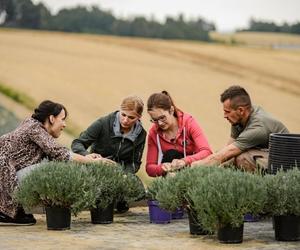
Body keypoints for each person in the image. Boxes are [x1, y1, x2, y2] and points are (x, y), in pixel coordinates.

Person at [0, 100, 105, 226]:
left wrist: (87, 157)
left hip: (7, 176)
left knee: (50, 167)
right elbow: (58, 152)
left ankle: (14, 212)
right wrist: (89, 161)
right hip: (5, 177)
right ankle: (8, 213)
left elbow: (57, 153)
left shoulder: (31, 125)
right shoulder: (34, 128)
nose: (64, 124)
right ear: (51, 118)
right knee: (48, 170)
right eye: (62, 119)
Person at [71, 95, 146, 212]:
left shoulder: (141, 134)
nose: (125, 120)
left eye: (131, 117)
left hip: (120, 173)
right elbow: (77, 143)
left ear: (139, 117)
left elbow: (134, 163)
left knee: (138, 189)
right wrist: (87, 156)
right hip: (97, 168)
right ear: (120, 111)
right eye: (123, 115)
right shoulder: (102, 123)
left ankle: (120, 200)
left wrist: (125, 174)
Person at [191, 85, 289, 171]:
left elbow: (226, 154)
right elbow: (228, 148)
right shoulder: (239, 118)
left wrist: (198, 166)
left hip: (285, 163)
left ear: (241, 110)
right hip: (267, 155)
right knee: (228, 158)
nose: (224, 116)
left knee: (242, 158)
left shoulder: (258, 127)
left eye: (227, 112)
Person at [146, 91, 212, 177]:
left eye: (162, 118)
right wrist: (162, 168)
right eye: (155, 120)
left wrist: (184, 161)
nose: (160, 123)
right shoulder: (153, 133)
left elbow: (207, 152)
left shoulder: (189, 123)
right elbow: (149, 167)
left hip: (194, 171)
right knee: (171, 154)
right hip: (170, 176)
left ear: (171, 110)